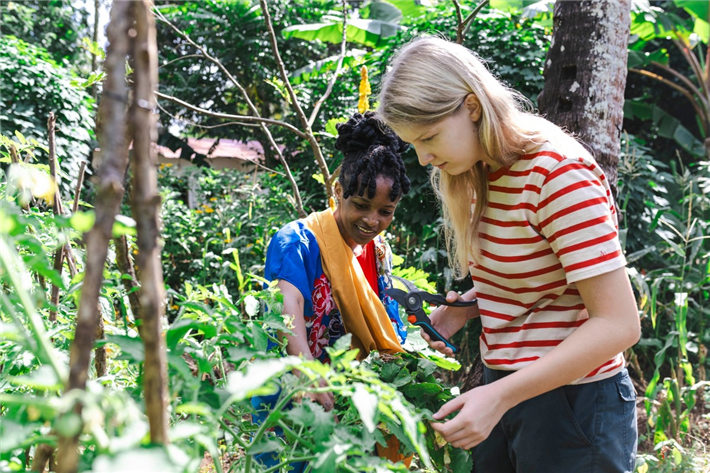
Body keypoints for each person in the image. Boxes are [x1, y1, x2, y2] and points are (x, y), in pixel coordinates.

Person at [377, 36, 640, 473]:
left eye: (429, 138)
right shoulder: (486, 172)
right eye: (414, 145)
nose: (423, 159)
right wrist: (470, 306)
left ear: (472, 107)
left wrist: (499, 396)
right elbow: (544, 279)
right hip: (510, 392)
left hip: (574, 406)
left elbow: (618, 323)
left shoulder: (557, 174)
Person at [251, 111, 411, 470]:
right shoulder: (298, 242)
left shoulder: (378, 251)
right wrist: (308, 370)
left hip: (353, 409)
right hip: (295, 403)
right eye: (361, 205)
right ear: (338, 191)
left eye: (385, 211)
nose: (372, 220)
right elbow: (285, 303)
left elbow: (385, 319)